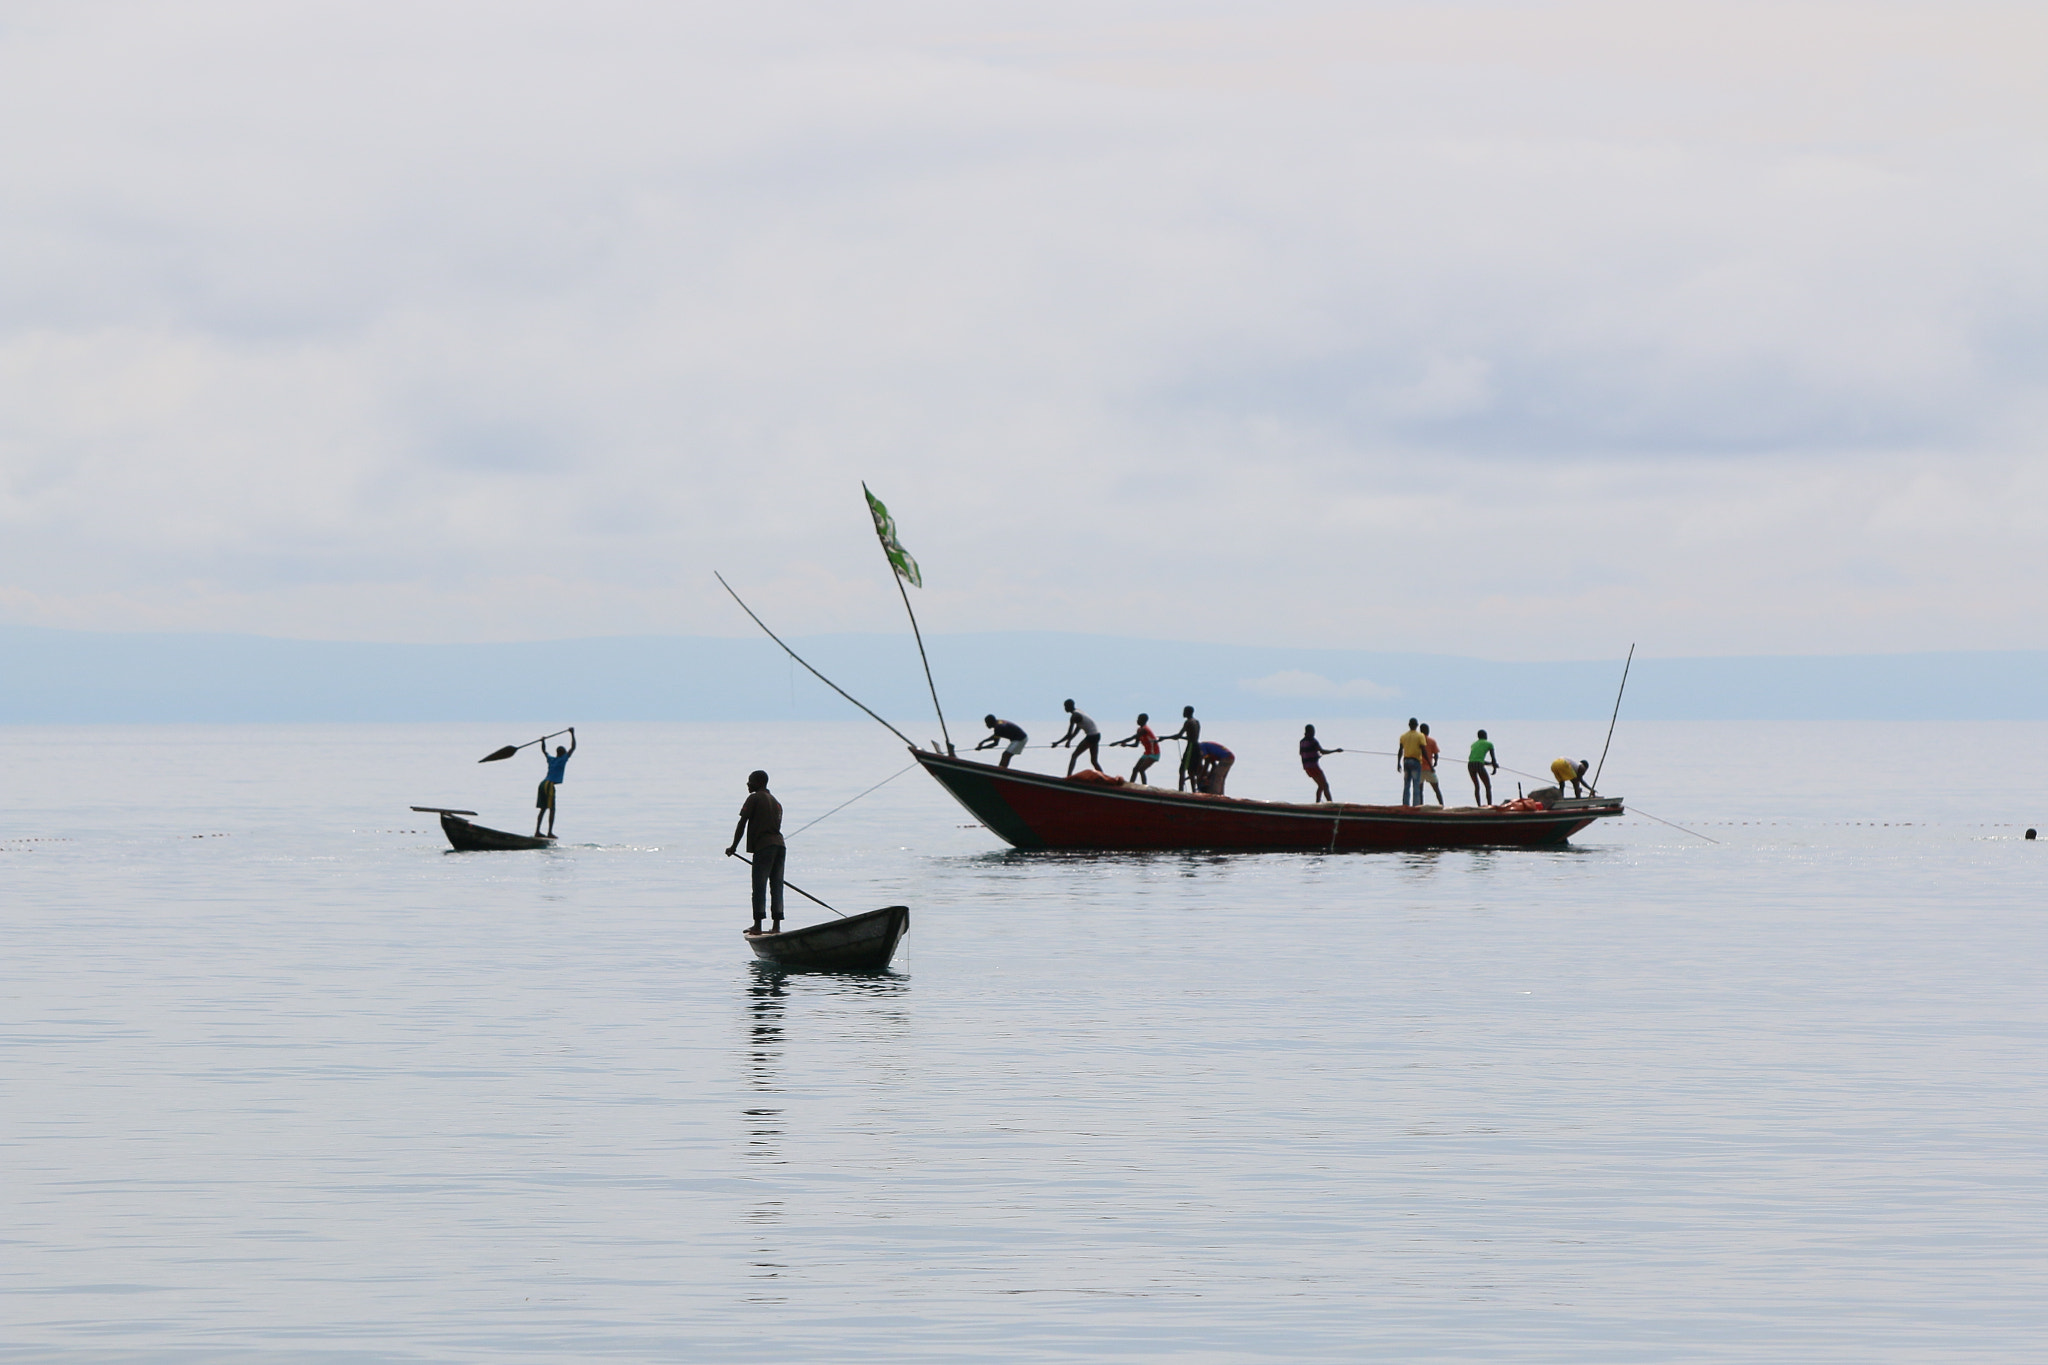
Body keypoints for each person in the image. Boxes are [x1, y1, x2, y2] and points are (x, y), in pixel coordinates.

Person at [725, 769, 786, 934]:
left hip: (764, 847)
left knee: (759, 885)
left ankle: (757, 926)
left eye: (750, 781)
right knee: (777, 885)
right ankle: (776, 926)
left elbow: (742, 822)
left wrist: (733, 847)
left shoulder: (754, 798)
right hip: (780, 846)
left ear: (758, 783)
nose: (747, 784)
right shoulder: (776, 801)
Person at [533, 727, 576, 836]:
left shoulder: (551, 759)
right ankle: (549, 832)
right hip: (549, 785)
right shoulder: (563, 759)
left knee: (543, 809)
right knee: (552, 809)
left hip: (542, 784)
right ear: (563, 753)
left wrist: (543, 742)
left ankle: (537, 831)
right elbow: (573, 747)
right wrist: (572, 734)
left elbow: (544, 751)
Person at [1051, 698, 1105, 775]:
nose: (1065, 709)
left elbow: (1069, 734)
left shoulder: (1074, 716)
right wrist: (1069, 741)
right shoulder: (1078, 711)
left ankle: (1068, 776)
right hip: (1097, 735)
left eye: (1065, 707)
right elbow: (1078, 729)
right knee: (1094, 761)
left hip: (1091, 737)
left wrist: (1057, 743)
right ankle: (1103, 777)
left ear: (1069, 706)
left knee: (1074, 755)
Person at [1110, 713, 1162, 784]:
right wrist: (1126, 745)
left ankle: (1145, 786)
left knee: (1141, 769)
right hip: (1147, 753)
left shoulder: (1145, 730)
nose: (1137, 720)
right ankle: (1131, 784)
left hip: (1154, 753)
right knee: (1135, 769)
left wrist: (1116, 742)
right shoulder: (1139, 730)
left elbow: (1132, 738)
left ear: (1143, 720)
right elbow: (1135, 744)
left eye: (1139, 719)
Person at [1163, 706, 1202, 790]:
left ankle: (1181, 790)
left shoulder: (1188, 722)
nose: (1183, 713)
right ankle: (1193, 791)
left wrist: (1164, 738)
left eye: (1184, 711)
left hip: (1191, 747)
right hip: (1196, 746)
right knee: (1191, 771)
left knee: (1182, 769)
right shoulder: (1197, 722)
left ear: (1188, 712)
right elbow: (1192, 736)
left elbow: (1179, 735)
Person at [1300, 724, 1342, 802]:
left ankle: (1317, 803)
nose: (1314, 733)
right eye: (1313, 731)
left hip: (1307, 768)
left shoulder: (1302, 741)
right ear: (1310, 732)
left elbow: (1302, 753)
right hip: (1313, 766)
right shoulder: (1312, 740)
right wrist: (1336, 751)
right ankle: (1330, 803)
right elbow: (1322, 751)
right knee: (1325, 785)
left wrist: (1315, 756)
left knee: (1320, 786)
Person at [1396, 718, 1427, 806]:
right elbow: (1423, 750)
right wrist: (1429, 763)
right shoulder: (1420, 736)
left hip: (1406, 761)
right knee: (1416, 785)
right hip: (1416, 762)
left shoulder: (1403, 736)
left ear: (1409, 725)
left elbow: (1400, 750)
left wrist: (1398, 763)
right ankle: (1415, 806)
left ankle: (1405, 805)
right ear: (1417, 725)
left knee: (1406, 785)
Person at [1467, 729, 1500, 805]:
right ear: (1485, 736)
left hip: (1470, 765)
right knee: (1488, 786)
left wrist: (1491, 764)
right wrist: (1494, 767)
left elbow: (1477, 759)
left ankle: (1478, 805)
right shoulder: (1489, 744)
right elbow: (1493, 757)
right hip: (1478, 765)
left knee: (1477, 786)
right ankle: (1489, 805)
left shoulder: (1473, 744)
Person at [1418, 723, 1445, 806]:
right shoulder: (1432, 741)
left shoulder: (1418, 741)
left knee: (1420, 791)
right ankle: (1441, 805)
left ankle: (1420, 806)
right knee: (1436, 789)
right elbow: (1436, 754)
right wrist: (1435, 763)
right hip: (1429, 769)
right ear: (1427, 731)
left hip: (1419, 769)